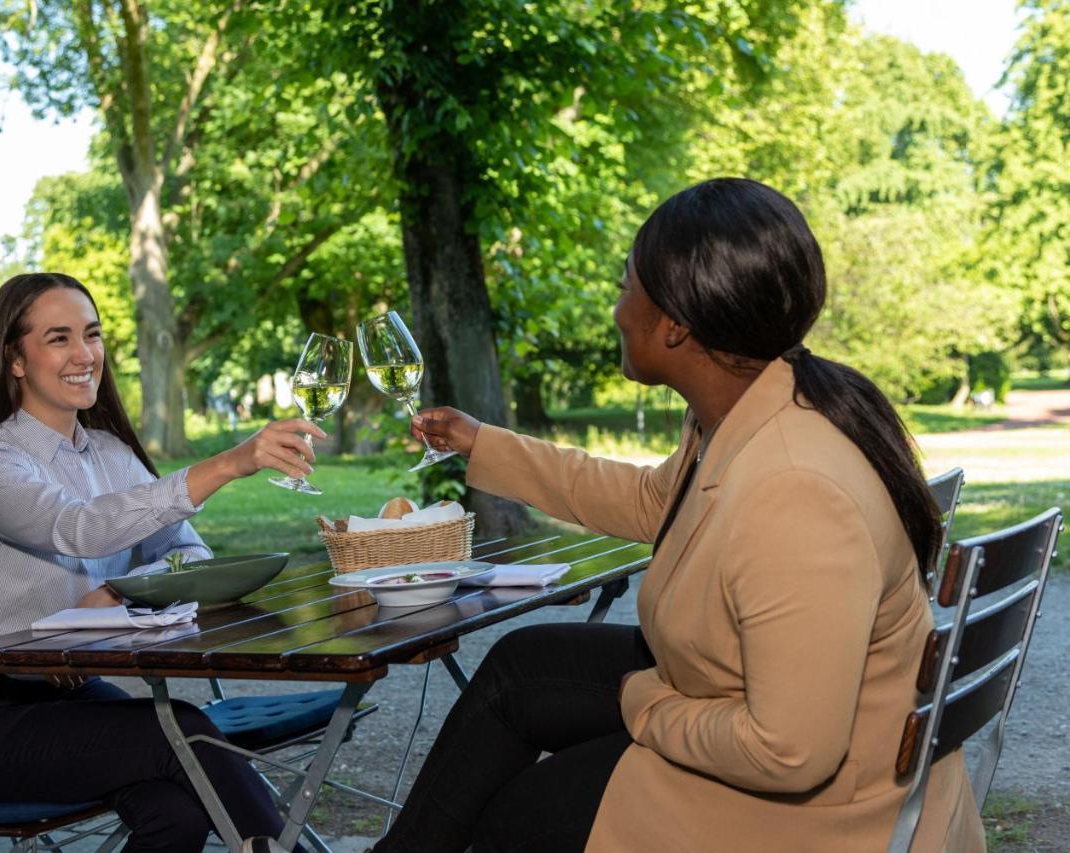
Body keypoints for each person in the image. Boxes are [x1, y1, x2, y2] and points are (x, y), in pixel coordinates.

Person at [383, 179, 985, 852]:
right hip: (757, 713)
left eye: (624, 286)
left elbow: (791, 752)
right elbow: (652, 502)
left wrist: (646, 705)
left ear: (676, 324)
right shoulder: (757, 408)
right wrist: (482, 442)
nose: (615, 310)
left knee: (515, 821)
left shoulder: (795, 492)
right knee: (522, 668)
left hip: (819, 815)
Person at [0, 272, 321, 853]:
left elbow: (186, 552)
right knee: (181, 731)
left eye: (93, 334)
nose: (85, 355)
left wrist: (122, 591)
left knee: (178, 813)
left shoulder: (111, 453)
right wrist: (231, 462)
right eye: (59, 338)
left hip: (72, 702)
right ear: (14, 360)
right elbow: (76, 528)